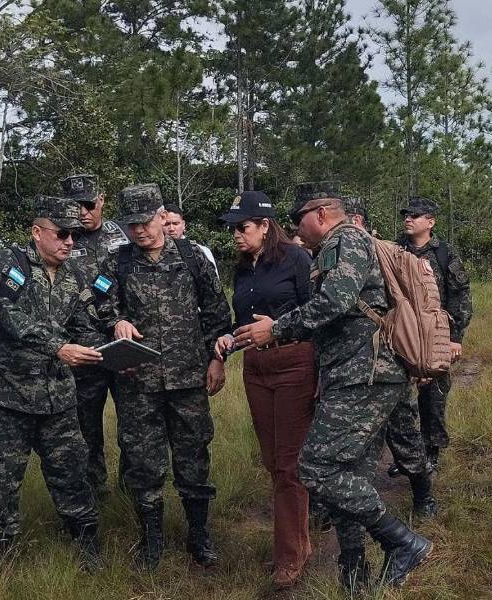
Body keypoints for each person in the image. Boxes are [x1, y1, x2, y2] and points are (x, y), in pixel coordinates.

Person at [234, 182, 433, 592]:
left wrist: (277, 329)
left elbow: (334, 303)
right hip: (358, 372)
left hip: (364, 373)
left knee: (316, 467)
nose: (294, 227)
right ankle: (353, 572)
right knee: (348, 474)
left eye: (298, 218)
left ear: (321, 213)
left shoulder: (344, 241)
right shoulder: (344, 245)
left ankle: (401, 541)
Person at [100, 183, 232, 570]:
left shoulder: (193, 258)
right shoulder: (117, 263)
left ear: (161, 216)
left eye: (145, 222)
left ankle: (198, 535)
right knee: (143, 463)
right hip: (137, 383)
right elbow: (99, 304)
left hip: (189, 380)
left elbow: (216, 315)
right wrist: (116, 322)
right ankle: (151, 540)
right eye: (131, 225)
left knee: (193, 459)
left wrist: (217, 359)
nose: (139, 231)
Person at [0, 195, 104, 569]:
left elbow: (86, 326)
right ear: (37, 232)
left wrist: (113, 351)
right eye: (62, 234)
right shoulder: (7, 265)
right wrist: (59, 346)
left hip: (56, 398)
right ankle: (0, 560)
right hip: (5, 397)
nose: (70, 243)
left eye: (74, 235)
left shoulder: (73, 277)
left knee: (72, 471)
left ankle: (86, 547)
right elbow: (12, 318)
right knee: (1, 480)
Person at [213, 191, 316, 588]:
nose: (235, 235)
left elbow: (316, 313)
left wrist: (278, 328)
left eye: (243, 227)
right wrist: (225, 343)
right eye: (232, 229)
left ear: (265, 226)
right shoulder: (243, 267)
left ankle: (288, 557)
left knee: (289, 464)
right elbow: (243, 322)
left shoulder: (296, 259)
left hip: (294, 363)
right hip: (256, 368)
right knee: (273, 461)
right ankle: (299, 543)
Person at [343, 196, 438, 519]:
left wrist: (422, 357)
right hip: (349, 366)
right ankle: (352, 508)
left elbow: (419, 308)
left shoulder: (385, 252)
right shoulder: (332, 253)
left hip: (387, 361)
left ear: (355, 220)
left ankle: (423, 494)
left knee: (404, 434)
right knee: (353, 442)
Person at [60, 174, 131, 498]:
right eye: (77, 206)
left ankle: (132, 489)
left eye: (89, 205)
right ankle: (94, 492)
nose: (84, 212)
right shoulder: (63, 238)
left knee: (131, 422)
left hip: (120, 342)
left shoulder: (123, 235)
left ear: (102, 200)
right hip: (81, 344)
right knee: (85, 425)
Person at [394, 197, 473, 472]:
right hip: (401, 334)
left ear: (430, 221)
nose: (408, 219)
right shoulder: (395, 250)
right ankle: (405, 457)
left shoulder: (444, 253)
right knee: (397, 397)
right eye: (406, 214)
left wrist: (455, 338)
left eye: (415, 215)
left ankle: (431, 453)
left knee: (433, 396)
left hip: (435, 335)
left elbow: (460, 295)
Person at [163, 203, 219, 271]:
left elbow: (214, 280)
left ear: (183, 225)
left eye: (175, 224)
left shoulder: (201, 251)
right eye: (167, 224)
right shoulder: (154, 254)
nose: (171, 228)